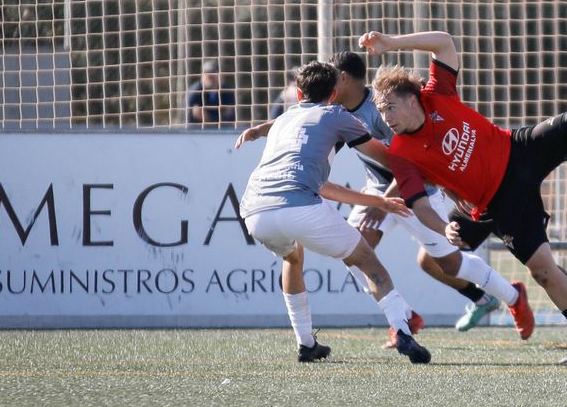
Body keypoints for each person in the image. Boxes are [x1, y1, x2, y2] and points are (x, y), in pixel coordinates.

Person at [363, 28, 567, 364]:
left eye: (390, 108)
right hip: (499, 204)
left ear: (413, 99)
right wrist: (442, 228)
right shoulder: (400, 154)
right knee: (542, 270)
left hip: (520, 150)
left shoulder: (437, 94)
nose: (386, 118)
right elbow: (419, 205)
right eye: (381, 112)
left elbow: (445, 42)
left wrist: (392, 43)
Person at [236, 51, 532, 349]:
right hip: (380, 190)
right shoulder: (335, 113)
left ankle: (513, 296)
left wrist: (384, 203)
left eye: (333, 79)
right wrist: (260, 129)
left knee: (448, 263)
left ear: (344, 79)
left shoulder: (381, 111)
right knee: (354, 254)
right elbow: (297, 120)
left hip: (416, 191)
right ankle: (402, 317)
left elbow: (405, 163)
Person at [237, 60, 431, 364]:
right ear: (334, 93)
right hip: (299, 206)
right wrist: (431, 170)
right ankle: (402, 331)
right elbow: (389, 159)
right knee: (368, 261)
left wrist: (379, 202)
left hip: (254, 211)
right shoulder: (337, 114)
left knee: (292, 257)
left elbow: (322, 186)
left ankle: (306, 344)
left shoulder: (285, 120)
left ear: (299, 94)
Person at [186, 60, 237, 129]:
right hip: (199, 129)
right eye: (207, 73)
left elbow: (229, 114)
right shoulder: (195, 91)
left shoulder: (226, 90)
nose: (210, 77)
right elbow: (193, 114)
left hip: (223, 129)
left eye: (213, 73)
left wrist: (209, 119)